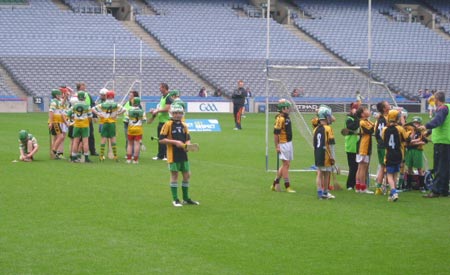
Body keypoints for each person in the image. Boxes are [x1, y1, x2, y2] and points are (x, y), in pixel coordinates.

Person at [159, 104, 199, 207]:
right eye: (175, 113)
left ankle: (186, 198)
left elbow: (187, 138)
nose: (177, 115)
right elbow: (161, 139)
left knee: (187, 175)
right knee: (175, 175)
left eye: (179, 113)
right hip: (173, 154)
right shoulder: (167, 124)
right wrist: (175, 142)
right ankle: (175, 199)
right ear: (171, 113)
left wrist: (188, 145)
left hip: (183, 154)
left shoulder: (184, 125)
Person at [419, 91, 450, 198]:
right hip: (447, 141)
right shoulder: (448, 108)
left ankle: (436, 190)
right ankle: (444, 190)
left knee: (439, 167)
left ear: (437, 99)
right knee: (445, 167)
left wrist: (426, 126)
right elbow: (442, 124)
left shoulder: (442, 109)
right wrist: (428, 132)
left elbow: (438, 121)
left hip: (441, 142)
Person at [381, 110, 411, 202]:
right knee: (395, 173)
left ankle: (394, 192)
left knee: (389, 174)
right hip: (399, 153)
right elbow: (407, 139)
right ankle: (391, 193)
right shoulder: (400, 128)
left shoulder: (385, 129)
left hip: (389, 153)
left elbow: (383, 139)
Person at [92, 90, 126, 162]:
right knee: (113, 139)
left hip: (104, 122)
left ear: (106, 96)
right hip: (112, 123)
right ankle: (115, 156)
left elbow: (93, 109)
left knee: (103, 139)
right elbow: (124, 109)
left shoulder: (103, 104)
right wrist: (117, 114)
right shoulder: (116, 104)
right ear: (113, 96)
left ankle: (101, 156)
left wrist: (99, 114)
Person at [271, 99, 296, 193]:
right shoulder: (280, 119)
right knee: (286, 164)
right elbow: (275, 134)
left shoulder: (287, 117)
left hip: (289, 142)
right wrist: (277, 146)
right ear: (283, 109)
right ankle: (287, 186)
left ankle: (274, 183)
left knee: (286, 164)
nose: (289, 109)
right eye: (287, 108)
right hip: (283, 143)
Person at [314, 105, 336, 199]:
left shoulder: (315, 129)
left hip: (318, 153)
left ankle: (320, 193)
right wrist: (332, 156)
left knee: (319, 172)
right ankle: (325, 192)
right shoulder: (328, 128)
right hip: (326, 154)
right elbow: (331, 144)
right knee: (326, 173)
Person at [67, 91, 93, 163]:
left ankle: (73, 157)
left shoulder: (74, 106)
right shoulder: (87, 106)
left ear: (78, 97)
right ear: (84, 97)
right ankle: (86, 158)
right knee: (85, 142)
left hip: (77, 125)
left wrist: (71, 120)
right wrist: (88, 122)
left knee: (75, 141)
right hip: (85, 125)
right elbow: (90, 116)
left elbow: (68, 113)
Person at [404, 116, 428, 191]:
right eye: (414, 123)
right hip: (410, 151)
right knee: (409, 168)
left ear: (420, 124)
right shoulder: (409, 132)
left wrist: (415, 142)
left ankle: (421, 186)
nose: (415, 125)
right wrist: (416, 141)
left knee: (419, 169)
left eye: (417, 123)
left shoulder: (422, 133)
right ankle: (408, 186)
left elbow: (424, 142)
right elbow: (408, 142)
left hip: (418, 151)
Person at [355, 106, 375, 194]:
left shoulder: (367, 121)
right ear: (362, 114)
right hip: (363, 146)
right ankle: (362, 187)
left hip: (365, 146)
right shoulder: (363, 122)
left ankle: (358, 187)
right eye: (366, 110)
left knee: (361, 167)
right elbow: (370, 130)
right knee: (363, 167)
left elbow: (372, 126)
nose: (368, 111)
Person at [151, 83, 173, 160]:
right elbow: (161, 107)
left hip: (166, 121)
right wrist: (155, 110)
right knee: (160, 139)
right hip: (161, 121)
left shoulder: (168, 97)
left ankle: (165, 155)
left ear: (164, 88)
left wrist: (157, 111)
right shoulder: (163, 97)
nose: (159, 89)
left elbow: (167, 109)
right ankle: (161, 155)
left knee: (164, 139)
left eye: (160, 87)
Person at [76, 82, 98, 156]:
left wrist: (94, 116)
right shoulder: (75, 96)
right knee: (78, 137)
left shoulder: (88, 95)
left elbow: (92, 105)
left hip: (88, 118)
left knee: (91, 135)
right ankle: (78, 151)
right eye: (83, 86)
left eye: (84, 85)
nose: (85, 87)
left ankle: (92, 150)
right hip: (79, 119)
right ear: (79, 87)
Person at [374, 101, 390, 195]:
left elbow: (376, 133)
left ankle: (378, 188)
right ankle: (387, 188)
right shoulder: (385, 119)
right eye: (387, 104)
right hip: (385, 146)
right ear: (384, 109)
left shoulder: (379, 120)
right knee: (388, 167)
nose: (389, 105)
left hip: (380, 145)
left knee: (382, 167)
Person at [125, 97, 146, 164]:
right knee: (137, 144)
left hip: (130, 129)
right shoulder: (142, 111)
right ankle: (135, 160)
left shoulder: (129, 110)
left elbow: (126, 120)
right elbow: (144, 120)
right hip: (138, 129)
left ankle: (128, 159)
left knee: (130, 144)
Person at [344, 102, 360, 190]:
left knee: (357, 166)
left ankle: (354, 184)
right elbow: (353, 127)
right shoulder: (349, 119)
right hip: (351, 146)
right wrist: (356, 117)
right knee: (353, 166)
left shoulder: (356, 118)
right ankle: (350, 185)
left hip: (357, 145)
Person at [48, 89, 66, 159]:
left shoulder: (57, 101)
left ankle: (53, 153)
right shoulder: (54, 102)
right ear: (56, 95)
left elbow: (62, 104)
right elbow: (51, 112)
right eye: (59, 95)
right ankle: (53, 151)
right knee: (61, 136)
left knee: (56, 137)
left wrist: (65, 97)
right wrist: (51, 122)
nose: (61, 96)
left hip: (57, 122)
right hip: (55, 122)